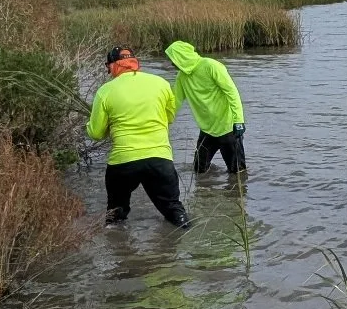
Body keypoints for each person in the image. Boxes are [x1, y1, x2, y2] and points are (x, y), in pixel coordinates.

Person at [85, 47, 190, 228]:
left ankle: (119, 250)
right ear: (134, 62)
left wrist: (93, 124)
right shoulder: (161, 83)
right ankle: (184, 240)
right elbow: (169, 117)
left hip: (123, 161)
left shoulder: (105, 91)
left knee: (115, 215)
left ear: (112, 66)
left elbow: (95, 133)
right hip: (160, 159)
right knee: (174, 210)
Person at [164, 39, 246, 175]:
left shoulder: (211, 66)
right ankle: (204, 192)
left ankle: (237, 195)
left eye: (173, 59)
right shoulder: (182, 77)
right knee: (198, 170)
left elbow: (232, 92)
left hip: (228, 127)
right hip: (207, 130)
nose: (172, 63)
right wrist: (163, 122)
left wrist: (239, 120)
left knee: (237, 172)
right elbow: (175, 102)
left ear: (182, 57)